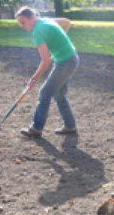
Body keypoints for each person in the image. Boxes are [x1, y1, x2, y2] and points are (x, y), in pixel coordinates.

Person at [15, 7, 78, 138]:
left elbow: (45, 61)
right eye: (20, 23)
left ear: (32, 18)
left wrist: (33, 79)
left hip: (65, 62)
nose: (22, 26)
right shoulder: (45, 20)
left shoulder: (38, 31)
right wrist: (61, 41)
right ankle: (70, 126)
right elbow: (67, 22)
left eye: (23, 22)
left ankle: (36, 128)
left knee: (44, 93)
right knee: (59, 94)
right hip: (71, 59)